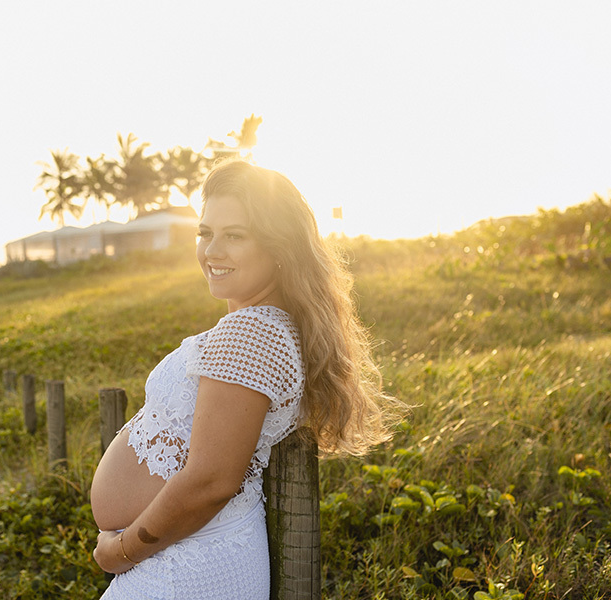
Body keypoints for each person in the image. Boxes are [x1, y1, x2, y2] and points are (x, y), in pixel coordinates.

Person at [90, 159, 406, 599]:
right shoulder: (263, 325)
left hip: (190, 569)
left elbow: (210, 480)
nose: (211, 251)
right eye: (205, 233)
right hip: (191, 557)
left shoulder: (251, 333)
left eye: (234, 235)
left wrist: (119, 552)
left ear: (280, 247)